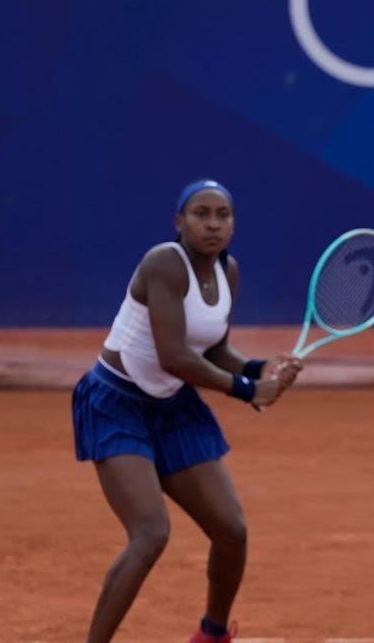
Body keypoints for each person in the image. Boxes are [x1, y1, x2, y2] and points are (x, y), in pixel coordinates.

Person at [71, 179, 304, 643]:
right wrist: (246, 389)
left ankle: (212, 634)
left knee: (231, 530)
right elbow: (174, 355)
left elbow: (212, 349)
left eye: (223, 214)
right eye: (201, 213)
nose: (213, 223)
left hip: (173, 408)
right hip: (116, 404)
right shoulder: (163, 263)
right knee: (150, 534)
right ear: (180, 222)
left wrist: (261, 369)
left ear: (233, 224)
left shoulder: (228, 271)